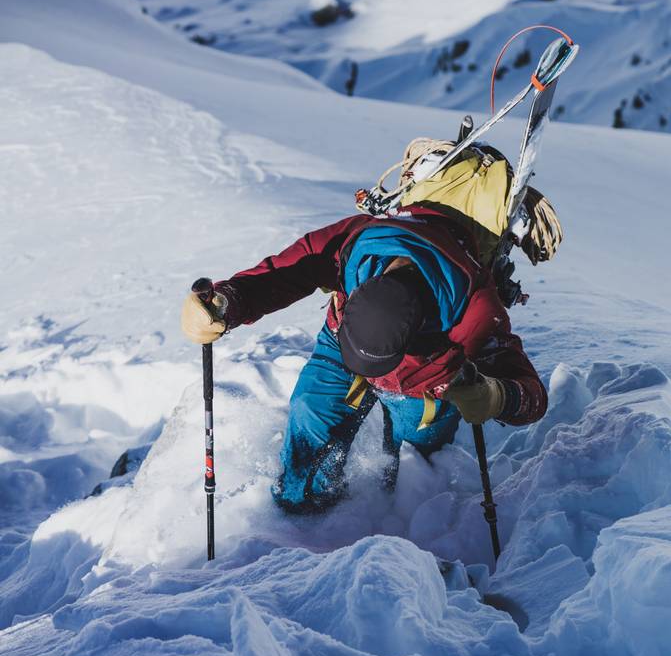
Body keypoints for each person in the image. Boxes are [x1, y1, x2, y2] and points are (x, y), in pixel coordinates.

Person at [179, 204, 548, 513]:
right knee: (312, 414)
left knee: (413, 468)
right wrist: (227, 303)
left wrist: (498, 395)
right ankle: (300, 512)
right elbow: (285, 272)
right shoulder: (353, 245)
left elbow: (532, 395)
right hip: (341, 343)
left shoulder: (476, 311)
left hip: (427, 382)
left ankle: (398, 527)